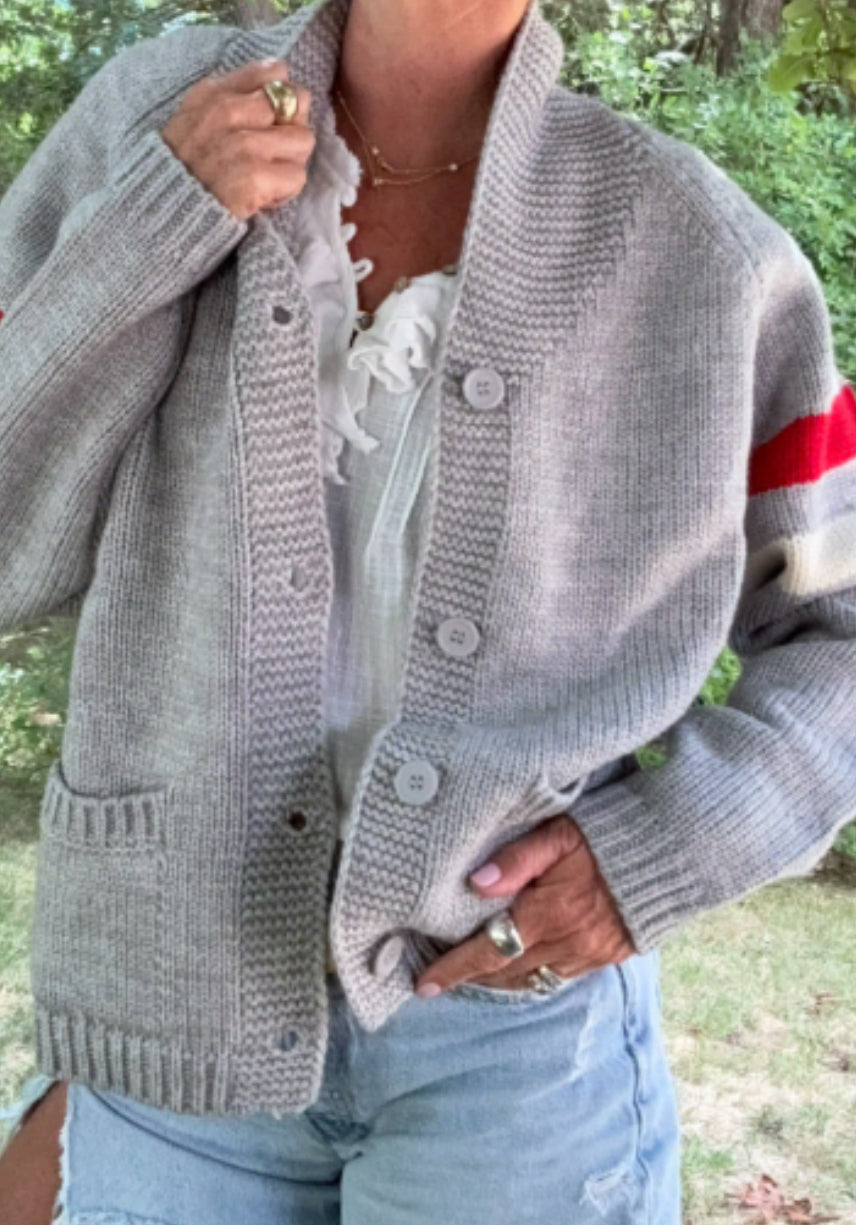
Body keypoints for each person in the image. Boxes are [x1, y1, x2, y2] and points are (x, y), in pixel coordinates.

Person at [0, 0, 854, 1218]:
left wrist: (668, 850)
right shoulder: (149, 129)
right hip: (175, 1016)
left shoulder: (698, 251)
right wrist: (155, 220)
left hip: (515, 1047)